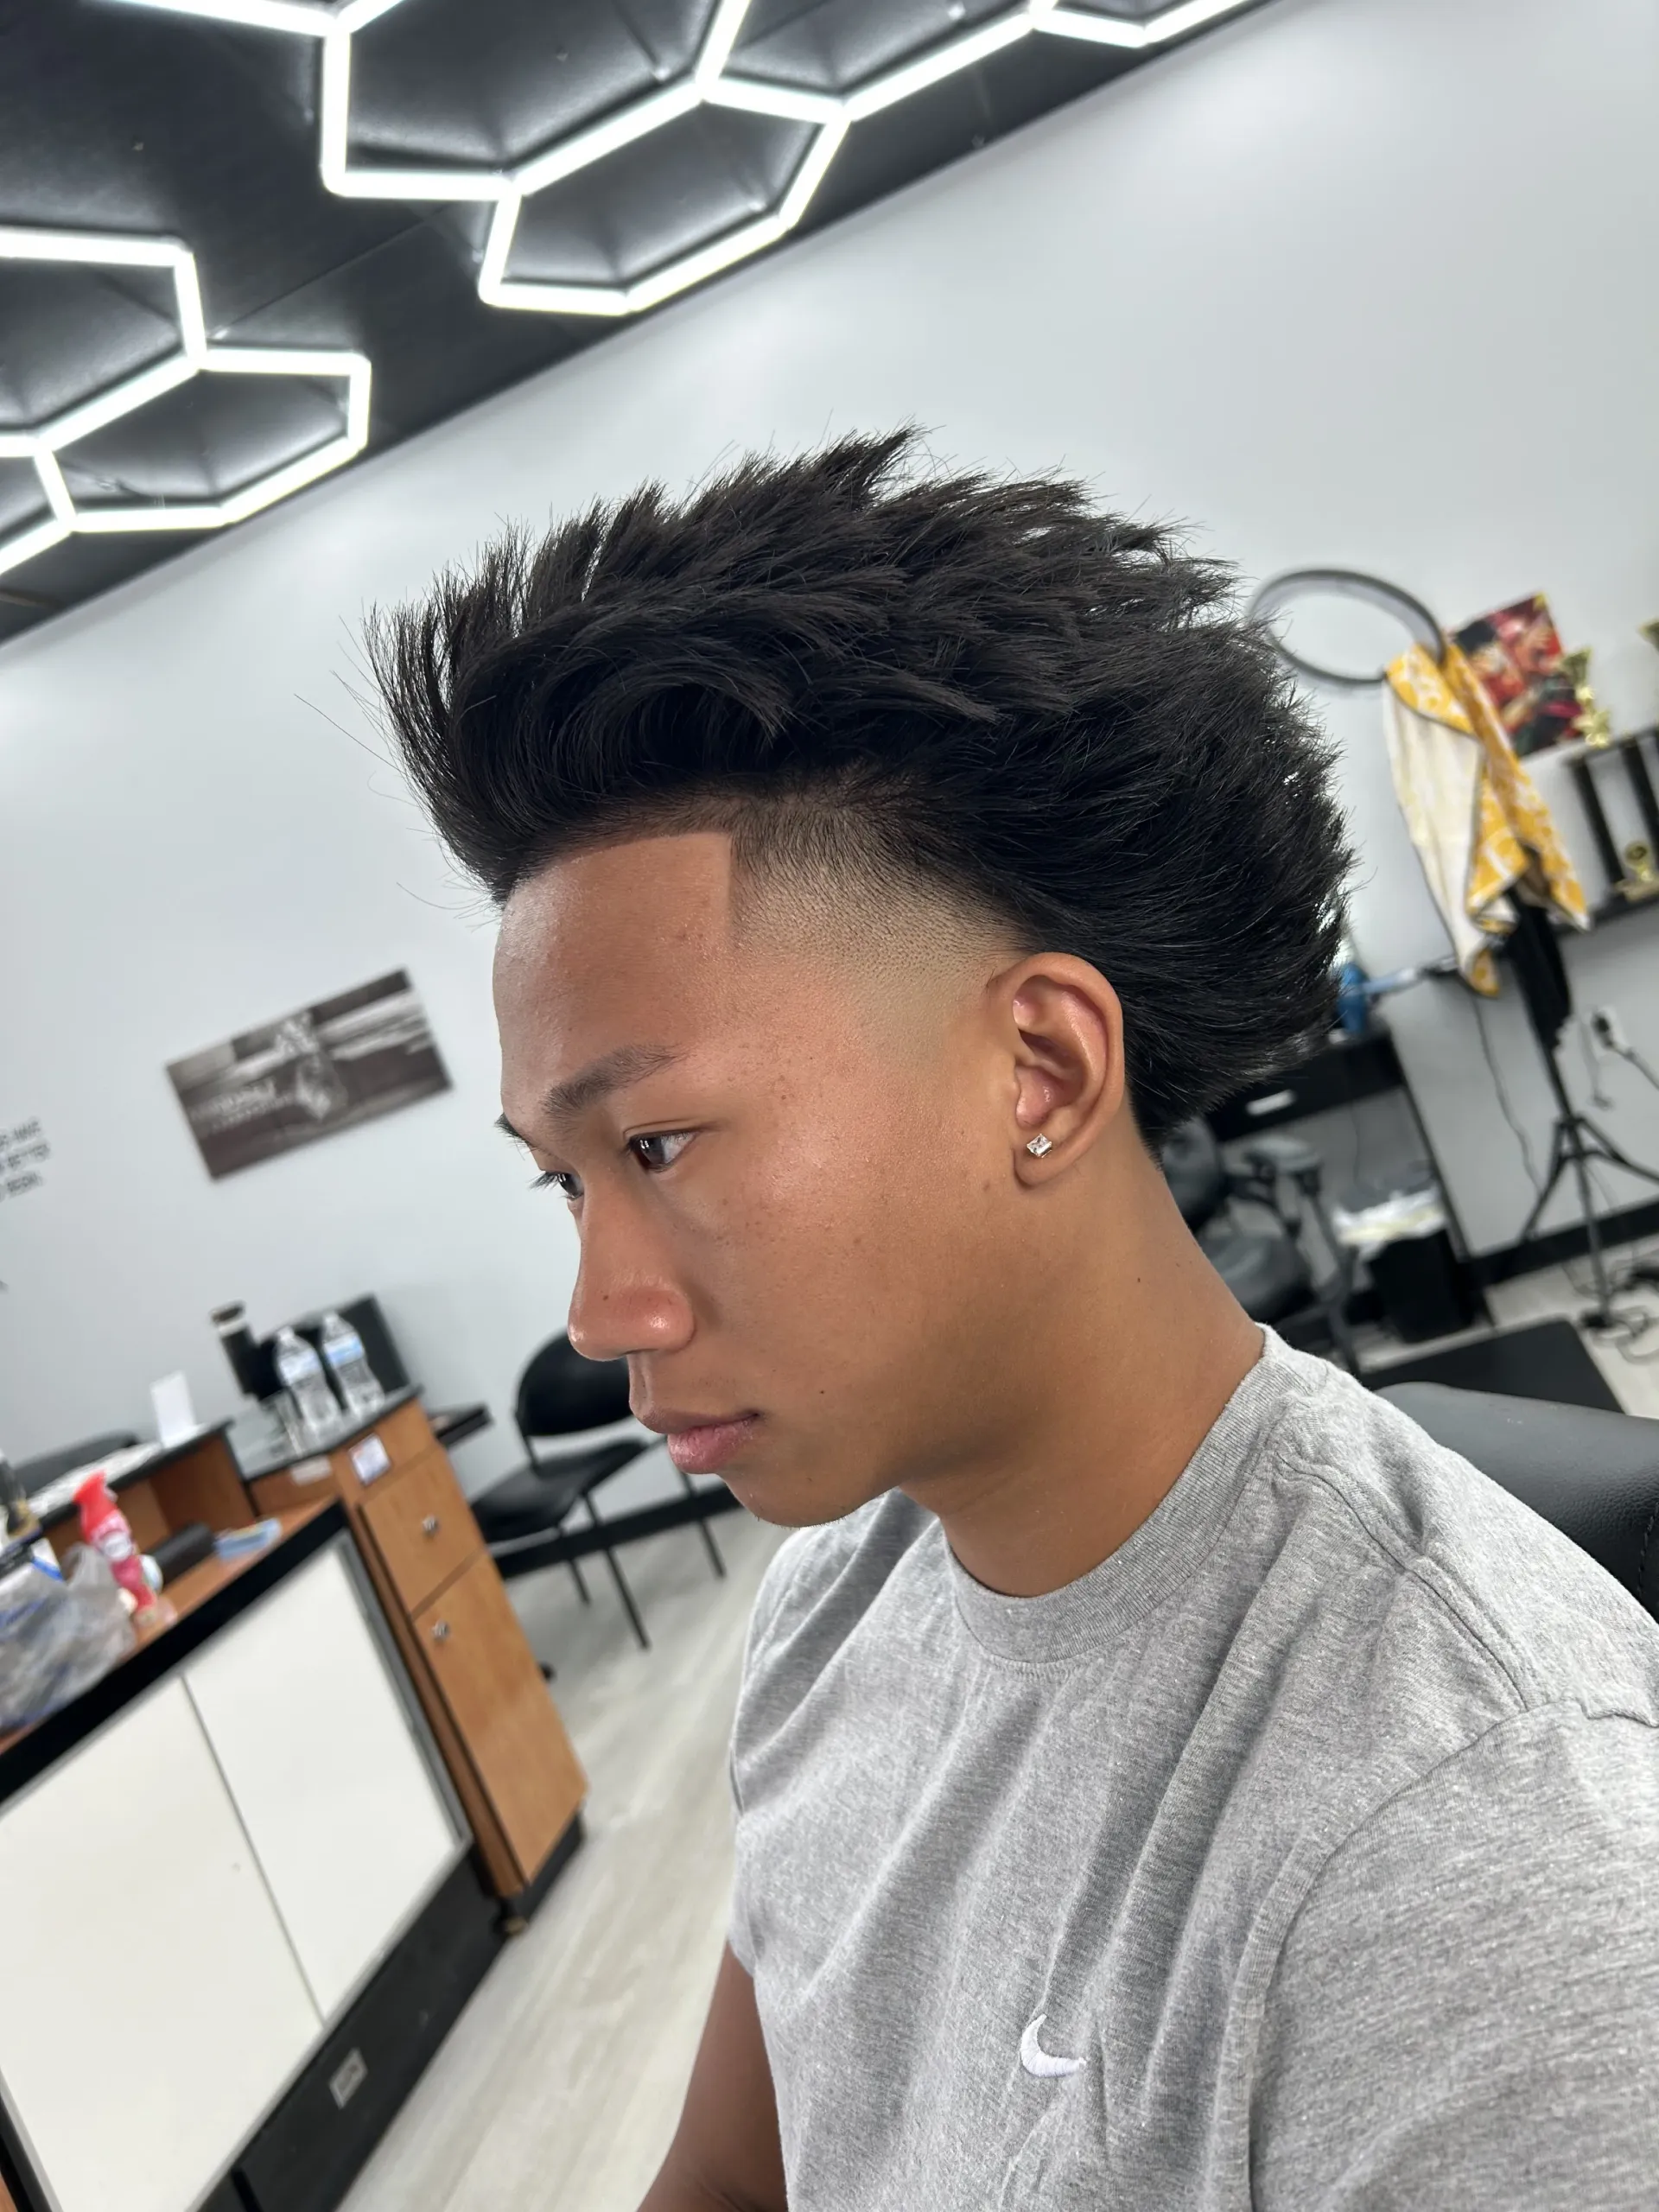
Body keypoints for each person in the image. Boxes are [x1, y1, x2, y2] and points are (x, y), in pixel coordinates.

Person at [370, 432, 1659, 2209]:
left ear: (1040, 1070)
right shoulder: (840, 1595)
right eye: (568, 1182)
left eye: (658, 1143)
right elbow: (731, 2181)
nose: (602, 1311)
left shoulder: (1474, 1860)